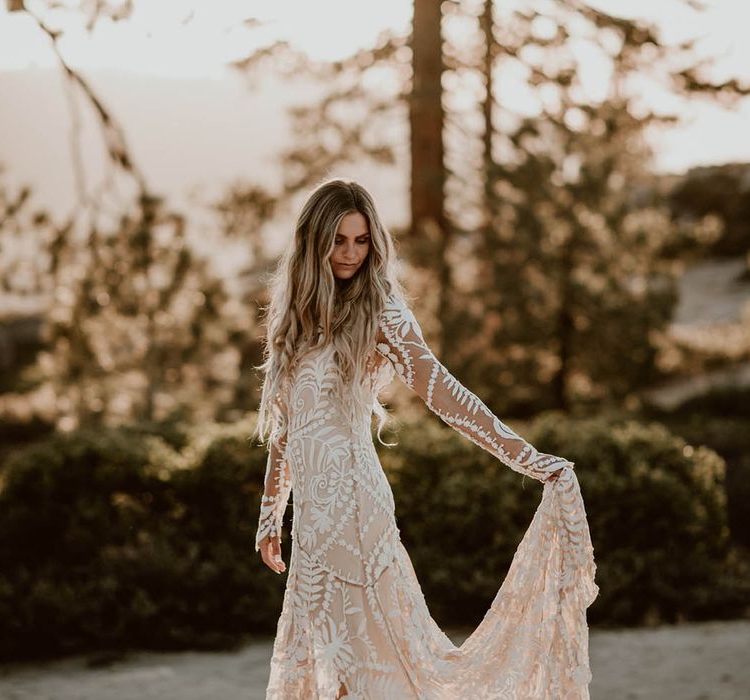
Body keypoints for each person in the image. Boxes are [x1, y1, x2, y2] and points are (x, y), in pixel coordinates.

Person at [253, 178, 598, 699]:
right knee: (330, 677)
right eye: (339, 240)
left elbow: (442, 391)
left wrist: (525, 456)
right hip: (313, 529)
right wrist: (269, 512)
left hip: (354, 513)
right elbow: (288, 426)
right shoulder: (296, 319)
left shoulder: (381, 310)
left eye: (361, 240)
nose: (350, 253)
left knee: (371, 672)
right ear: (312, 241)